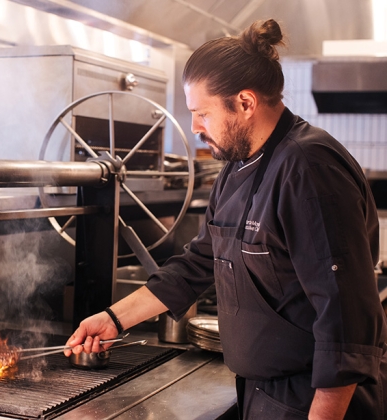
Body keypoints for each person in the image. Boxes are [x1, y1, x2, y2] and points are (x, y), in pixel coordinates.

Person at [64, 19, 387, 420]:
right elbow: (199, 262)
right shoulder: (236, 167)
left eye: (202, 113)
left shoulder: (308, 169)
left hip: (315, 400)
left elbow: (347, 321)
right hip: (262, 392)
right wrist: (114, 319)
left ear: (246, 103)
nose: (196, 127)